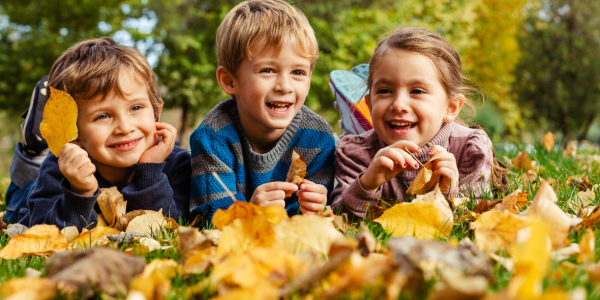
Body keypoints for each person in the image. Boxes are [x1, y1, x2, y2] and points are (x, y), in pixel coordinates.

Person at [16, 37, 191, 230]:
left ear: (156, 111)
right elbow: (48, 234)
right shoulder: (60, 169)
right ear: (73, 133)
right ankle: (33, 149)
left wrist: (150, 172)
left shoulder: (177, 163)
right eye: (103, 116)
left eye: (136, 107)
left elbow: (172, 226)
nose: (125, 128)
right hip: (27, 198)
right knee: (20, 192)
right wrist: (79, 193)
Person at [331, 27, 505, 219]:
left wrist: (448, 196)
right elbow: (340, 219)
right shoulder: (356, 153)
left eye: (417, 91)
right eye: (385, 91)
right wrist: (366, 185)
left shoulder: (468, 149)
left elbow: (477, 220)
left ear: (451, 108)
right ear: (370, 105)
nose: (398, 105)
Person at [189, 0, 336, 224]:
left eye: (298, 72)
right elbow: (209, 216)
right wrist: (250, 212)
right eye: (268, 70)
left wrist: (311, 208)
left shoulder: (318, 137)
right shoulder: (212, 137)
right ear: (230, 81)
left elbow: (310, 216)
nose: (285, 86)